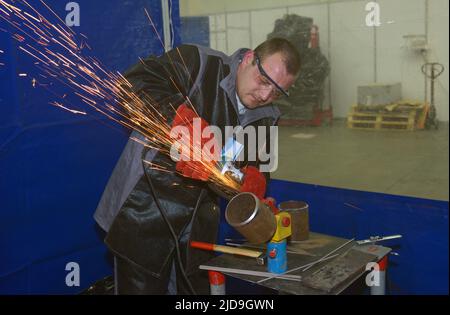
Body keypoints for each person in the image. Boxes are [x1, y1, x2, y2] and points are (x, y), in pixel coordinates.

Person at [94, 37, 301, 294]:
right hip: (143, 211)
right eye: (264, 81)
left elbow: (257, 173)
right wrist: (181, 124)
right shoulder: (199, 63)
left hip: (197, 228)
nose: (265, 95)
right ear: (249, 59)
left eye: (277, 92)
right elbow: (134, 83)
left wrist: (251, 186)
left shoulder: (267, 118)